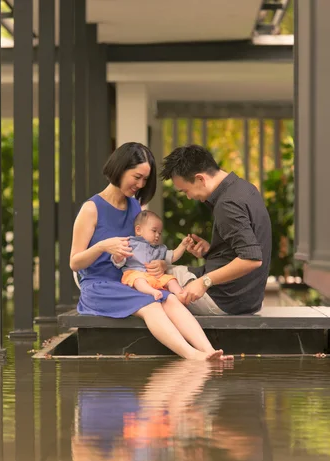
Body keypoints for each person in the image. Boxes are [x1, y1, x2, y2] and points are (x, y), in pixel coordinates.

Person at [69, 142, 232, 361]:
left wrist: (162, 264)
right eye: (137, 177)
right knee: (151, 305)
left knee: (171, 299)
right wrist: (102, 246)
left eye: (145, 179)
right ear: (120, 168)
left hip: (132, 281)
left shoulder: (135, 208)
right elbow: (74, 263)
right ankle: (192, 355)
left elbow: (146, 250)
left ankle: (210, 351)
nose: (140, 184)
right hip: (99, 286)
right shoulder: (92, 209)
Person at [160, 145, 272, 316]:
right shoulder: (244, 188)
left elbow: (252, 258)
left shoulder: (227, 204)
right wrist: (211, 251)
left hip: (225, 301)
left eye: (186, 191)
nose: (189, 197)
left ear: (200, 179)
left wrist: (204, 282)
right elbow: (247, 244)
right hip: (247, 298)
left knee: (157, 275)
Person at [111, 209, 189, 303]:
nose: (157, 235)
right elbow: (117, 260)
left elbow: (172, 257)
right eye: (154, 230)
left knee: (170, 279)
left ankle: (180, 294)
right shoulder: (130, 243)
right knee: (138, 279)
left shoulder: (159, 249)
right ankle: (152, 292)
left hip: (155, 277)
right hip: (135, 273)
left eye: (159, 233)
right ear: (138, 230)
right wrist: (118, 257)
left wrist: (183, 246)